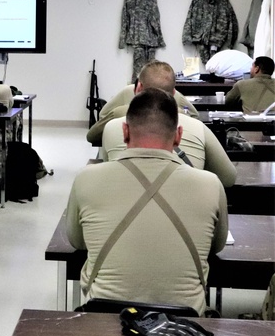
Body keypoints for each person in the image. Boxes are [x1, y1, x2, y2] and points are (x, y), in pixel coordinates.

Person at [66, 89, 227, 316]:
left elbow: (77, 241)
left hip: (104, 318)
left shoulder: (86, 178)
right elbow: (217, 246)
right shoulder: (210, 184)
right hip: (182, 324)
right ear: (178, 135)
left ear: (124, 131)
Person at [99, 61, 236, 187]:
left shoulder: (111, 127)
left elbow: (106, 165)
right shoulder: (198, 127)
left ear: (125, 131)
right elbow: (228, 178)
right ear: (177, 135)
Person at [88, 78, 198, 146]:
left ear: (139, 88)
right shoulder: (180, 114)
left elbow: (92, 135)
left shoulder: (119, 113)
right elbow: (195, 117)